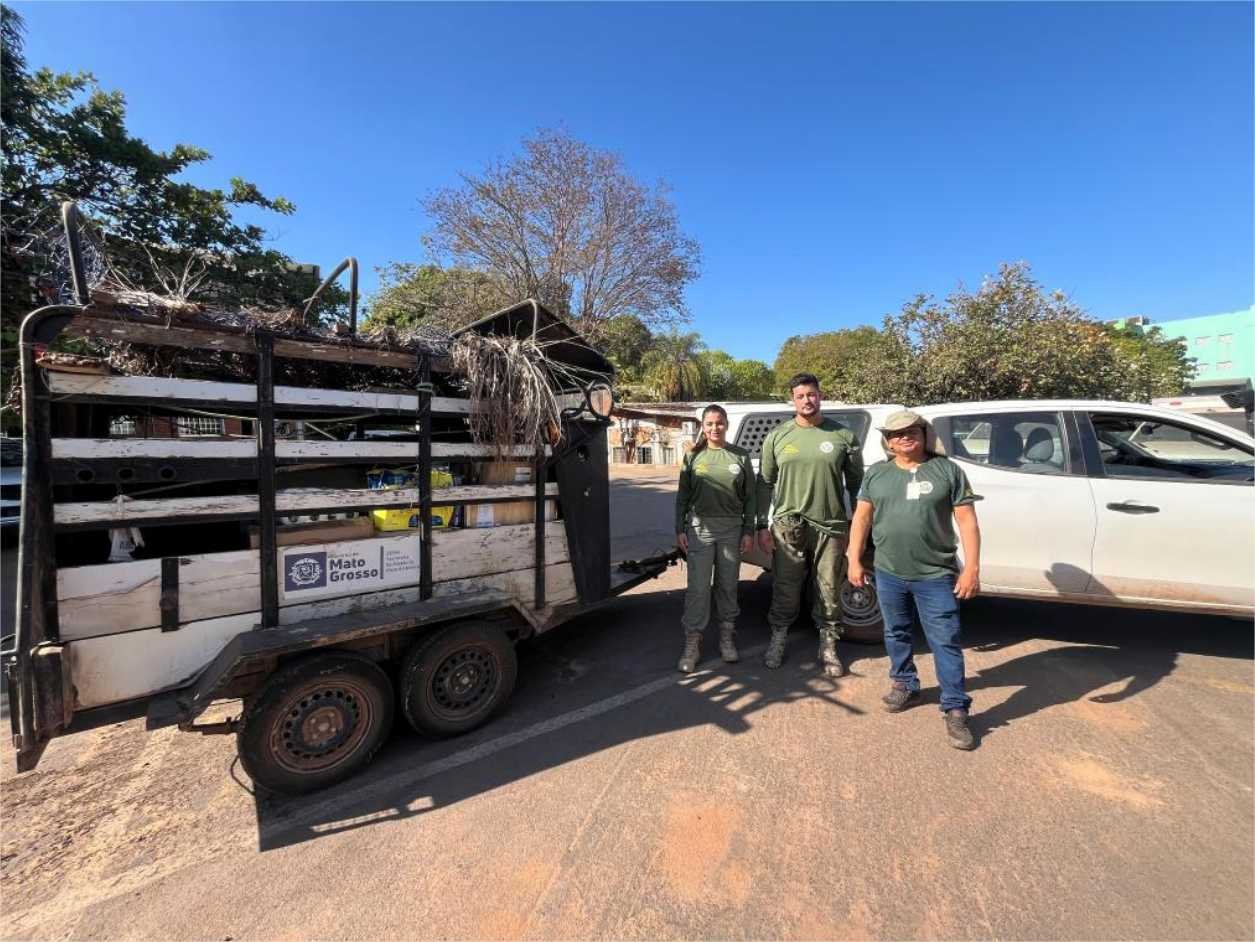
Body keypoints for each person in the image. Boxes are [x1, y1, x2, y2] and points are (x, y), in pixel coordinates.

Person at [846, 410, 982, 750]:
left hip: (935, 575)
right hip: (889, 572)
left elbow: (967, 522)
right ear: (887, 441)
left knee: (945, 641)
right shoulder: (877, 474)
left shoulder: (947, 470)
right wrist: (853, 559)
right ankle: (905, 683)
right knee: (895, 632)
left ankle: (954, 707)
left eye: (911, 431)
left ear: (924, 434)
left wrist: (971, 569)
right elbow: (862, 519)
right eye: (895, 434)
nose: (903, 437)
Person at [755, 374, 864, 674]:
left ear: (820, 396)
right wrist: (762, 526)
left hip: (830, 526)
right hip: (788, 525)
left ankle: (828, 646)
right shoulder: (778, 437)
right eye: (801, 395)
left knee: (828, 587)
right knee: (785, 587)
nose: (807, 400)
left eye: (812, 394)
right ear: (793, 399)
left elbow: (857, 486)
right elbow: (764, 483)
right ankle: (778, 638)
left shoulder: (842, 436)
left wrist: (857, 529)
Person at [675, 404, 756, 672]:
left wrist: (748, 530)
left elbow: (750, 498)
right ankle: (692, 642)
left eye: (719, 423)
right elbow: (683, 497)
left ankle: (726, 636)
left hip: (731, 529)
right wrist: (680, 529)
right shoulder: (692, 457)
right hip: (700, 530)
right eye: (709, 423)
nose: (714, 428)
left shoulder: (740, 456)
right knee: (698, 588)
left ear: (726, 424)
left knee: (727, 585)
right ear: (703, 426)